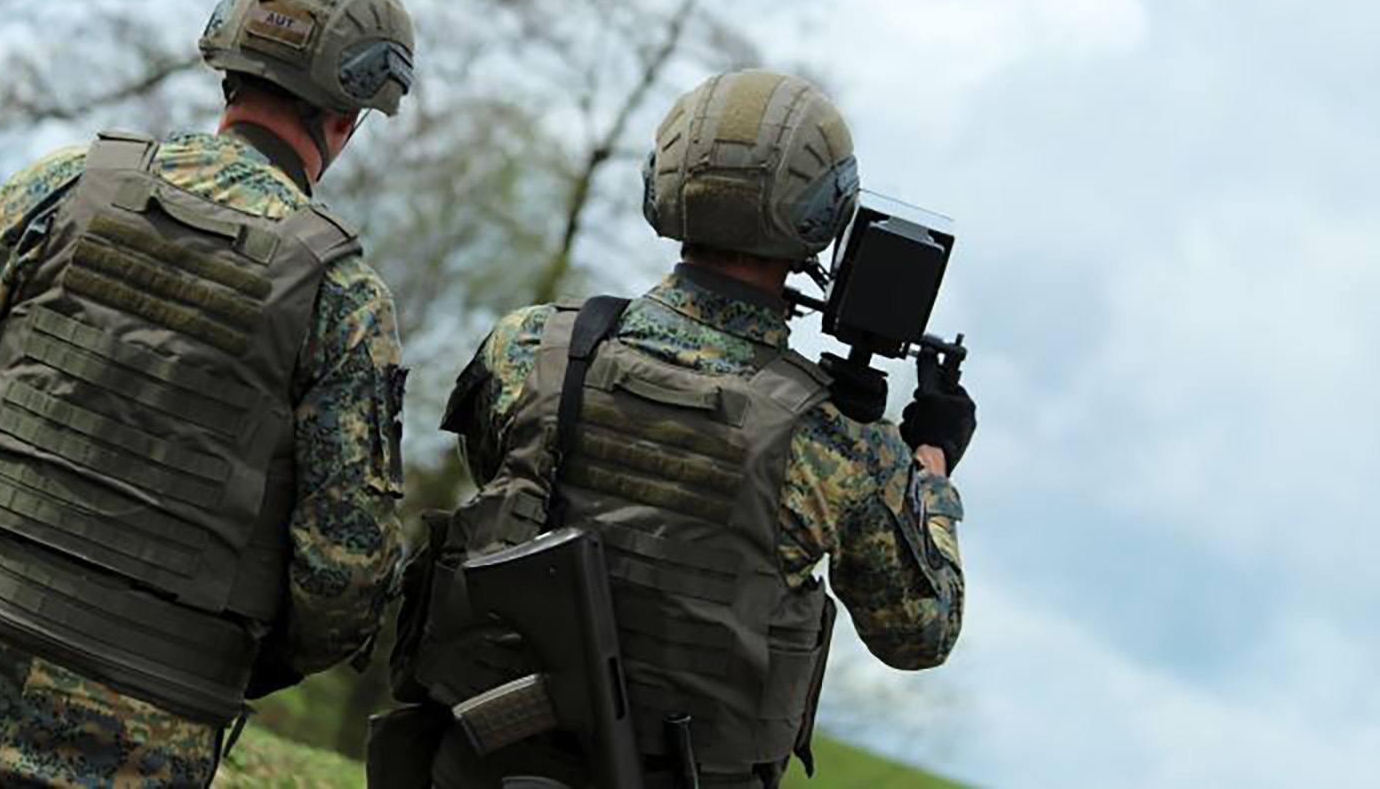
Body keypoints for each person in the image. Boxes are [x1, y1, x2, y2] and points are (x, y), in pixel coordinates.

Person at [373, 69, 975, 789]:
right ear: (824, 214)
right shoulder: (838, 442)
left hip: (480, 768)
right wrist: (929, 469)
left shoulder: (532, 348)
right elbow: (919, 632)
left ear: (666, 180)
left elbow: (499, 486)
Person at [0, 0, 414, 787]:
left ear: (229, 65)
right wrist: (229, 659)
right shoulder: (344, 298)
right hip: (143, 736)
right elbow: (342, 580)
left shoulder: (69, 186)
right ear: (348, 116)